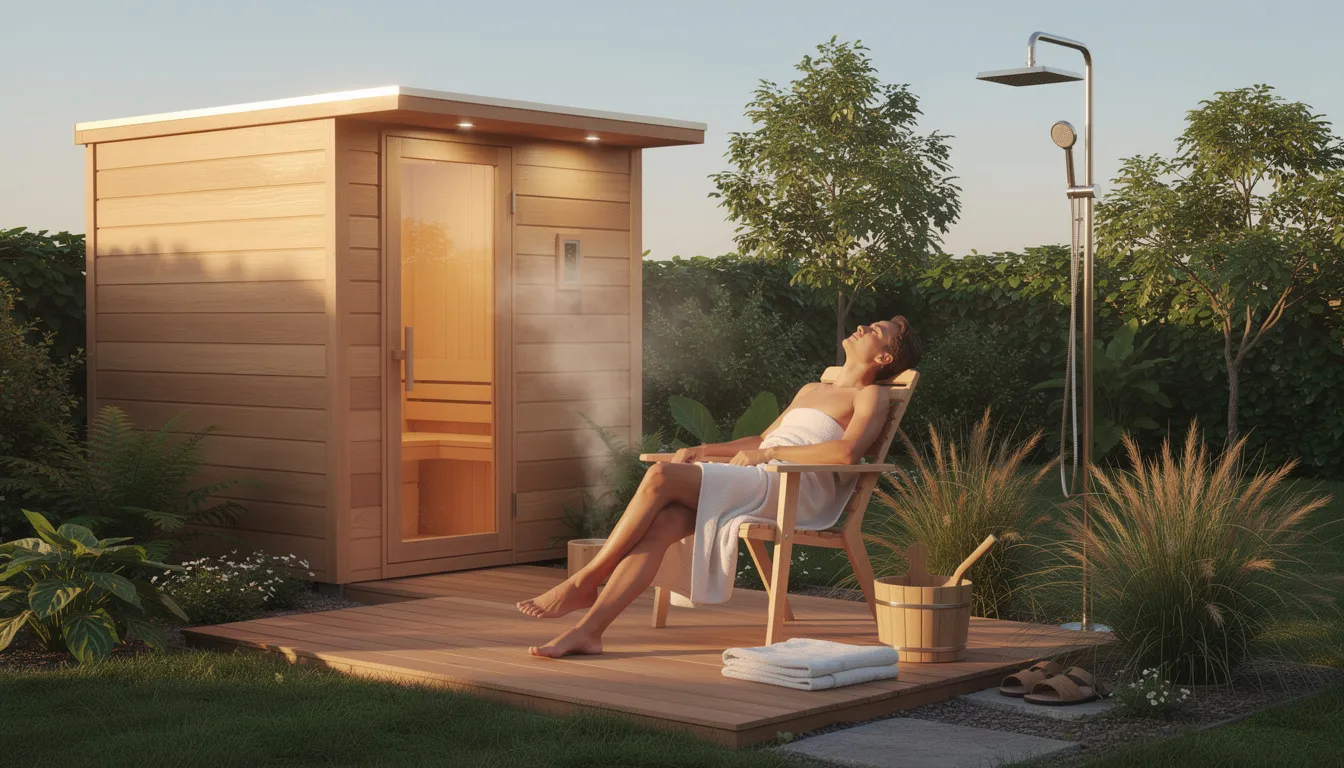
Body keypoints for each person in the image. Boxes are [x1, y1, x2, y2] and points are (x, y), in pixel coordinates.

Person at [516, 316, 923, 658]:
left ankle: (585, 580)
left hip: (795, 489)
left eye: (875, 329)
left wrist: (769, 456)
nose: (861, 326)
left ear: (884, 357)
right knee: (664, 524)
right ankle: (590, 630)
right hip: (761, 475)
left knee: (660, 477)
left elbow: (847, 453)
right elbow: (759, 440)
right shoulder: (811, 390)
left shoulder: (871, 395)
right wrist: (705, 449)